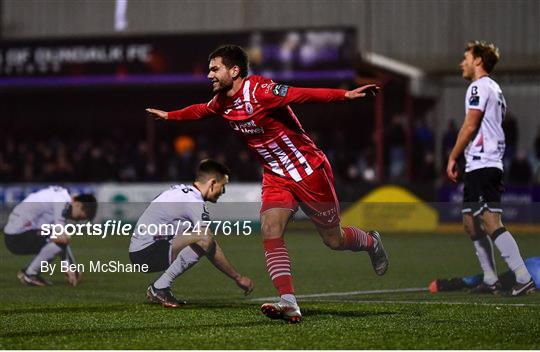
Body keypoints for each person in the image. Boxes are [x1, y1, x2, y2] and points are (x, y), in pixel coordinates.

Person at [146, 44, 388, 322]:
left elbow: (302, 94)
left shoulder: (261, 91)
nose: (209, 75)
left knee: (334, 240)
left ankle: (371, 242)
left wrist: (345, 95)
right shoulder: (222, 102)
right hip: (275, 176)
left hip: (309, 171)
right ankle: (289, 302)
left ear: (234, 70)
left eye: (215, 69)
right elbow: (200, 110)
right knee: (271, 228)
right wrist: (170, 115)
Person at [446, 41, 535, 296]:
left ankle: (522, 276)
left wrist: (453, 156)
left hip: (484, 164)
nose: (462, 63)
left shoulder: (479, 86)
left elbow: (470, 125)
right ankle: (490, 278)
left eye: (466, 57)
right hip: (482, 164)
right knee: (470, 222)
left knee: (489, 220)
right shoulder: (494, 88)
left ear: (478, 61)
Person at [129, 159, 254, 308]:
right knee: (204, 237)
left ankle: (160, 287)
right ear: (213, 183)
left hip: (143, 249)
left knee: (200, 236)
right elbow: (208, 243)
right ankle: (160, 287)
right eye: (223, 186)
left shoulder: (181, 192)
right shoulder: (193, 201)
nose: (223, 192)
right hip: (146, 253)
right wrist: (237, 277)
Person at [3, 186, 97, 286]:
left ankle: (30, 273)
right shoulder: (62, 202)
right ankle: (30, 274)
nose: (76, 220)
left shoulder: (61, 197)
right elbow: (61, 238)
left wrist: (70, 266)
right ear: (78, 204)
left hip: (17, 233)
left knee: (58, 239)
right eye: (79, 217)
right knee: (59, 241)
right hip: (17, 237)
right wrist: (69, 266)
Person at [429, 256, 540, 294]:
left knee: (497, 281)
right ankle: (457, 282)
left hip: (532, 266)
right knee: (498, 281)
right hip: (533, 270)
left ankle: (458, 282)